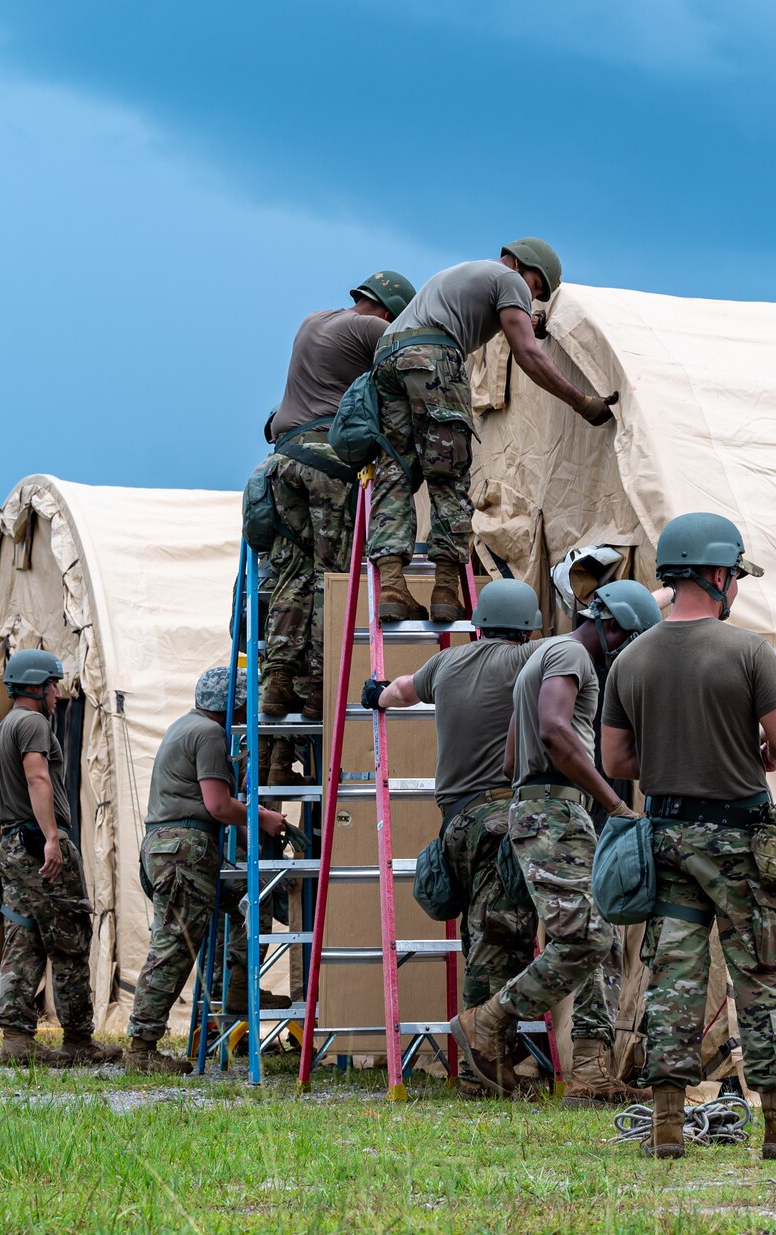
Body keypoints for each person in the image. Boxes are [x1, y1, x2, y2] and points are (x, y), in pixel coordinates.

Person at [599, 512, 776, 1160]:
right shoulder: (749, 651)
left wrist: (672, 750)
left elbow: (617, 760)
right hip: (742, 846)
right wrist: (747, 745)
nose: (734, 584)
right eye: (732, 573)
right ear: (716, 573)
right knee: (759, 975)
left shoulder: (632, 656)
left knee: (673, 975)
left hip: (668, 838)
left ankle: (668, 1124)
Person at [447, 577, 649, 1101]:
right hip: (555, 812)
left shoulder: (538, 660)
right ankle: (487, 1021)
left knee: (572, 932)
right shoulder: (571, 657)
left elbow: (514, 758)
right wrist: (614, 803)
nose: (625, 651)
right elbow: (557, 731)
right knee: (588, 938)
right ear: (610, 627)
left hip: (533, 807)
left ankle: (586, 1069)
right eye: (627, 639)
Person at [367, 240, 617, 627]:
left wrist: (528, 321)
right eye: (534, 287)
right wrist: (583, 402)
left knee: (395, 473)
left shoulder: (465, 277)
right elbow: (528, 354)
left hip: (386, 360)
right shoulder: (508, 279)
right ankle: (446, 589)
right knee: (447, 473)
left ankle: (392, 588)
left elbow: (503, 322)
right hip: (432, 358)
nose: (531, 297)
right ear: (519, 264)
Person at [362, 578, 541, 1093]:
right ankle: (489, 1070)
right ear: (527, 629)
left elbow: (397, 693)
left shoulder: (445, 664)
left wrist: (375, 695)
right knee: (501, 937)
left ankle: (482, 1065)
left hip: (455, 825)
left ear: (479, 624)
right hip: (500, 818)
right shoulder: (526, 662)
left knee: (478, 934)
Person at [260, 271, 417, 784]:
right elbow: (412, 356)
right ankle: (322, 684)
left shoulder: (313, 320)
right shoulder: (373, 331)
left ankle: (278, 681)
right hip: (329, 462)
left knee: (293, 576)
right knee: (334, 578)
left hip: (283, 461)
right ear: (388, 310)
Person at [125, 667, 290, 1075]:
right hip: (185, 851)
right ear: (233, 704)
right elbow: (217, 804)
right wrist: (263, 816)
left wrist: (247, 823)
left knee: (251, 898)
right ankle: (141, 1048)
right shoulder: (210, 734)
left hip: (173, 848)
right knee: (173, 948)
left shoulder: (186, 725)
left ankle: (235, 988)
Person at [0, 649, 119, 1067]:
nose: (59, 694)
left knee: (23, 938)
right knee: (69, 938)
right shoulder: (33, 724)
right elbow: (37, 777)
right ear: (37, 686)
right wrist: (51, 838)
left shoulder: (4, 726)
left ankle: (16, 1038)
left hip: (12, 844)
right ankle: (79, 1040)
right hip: (36, 843)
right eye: (54, 685)